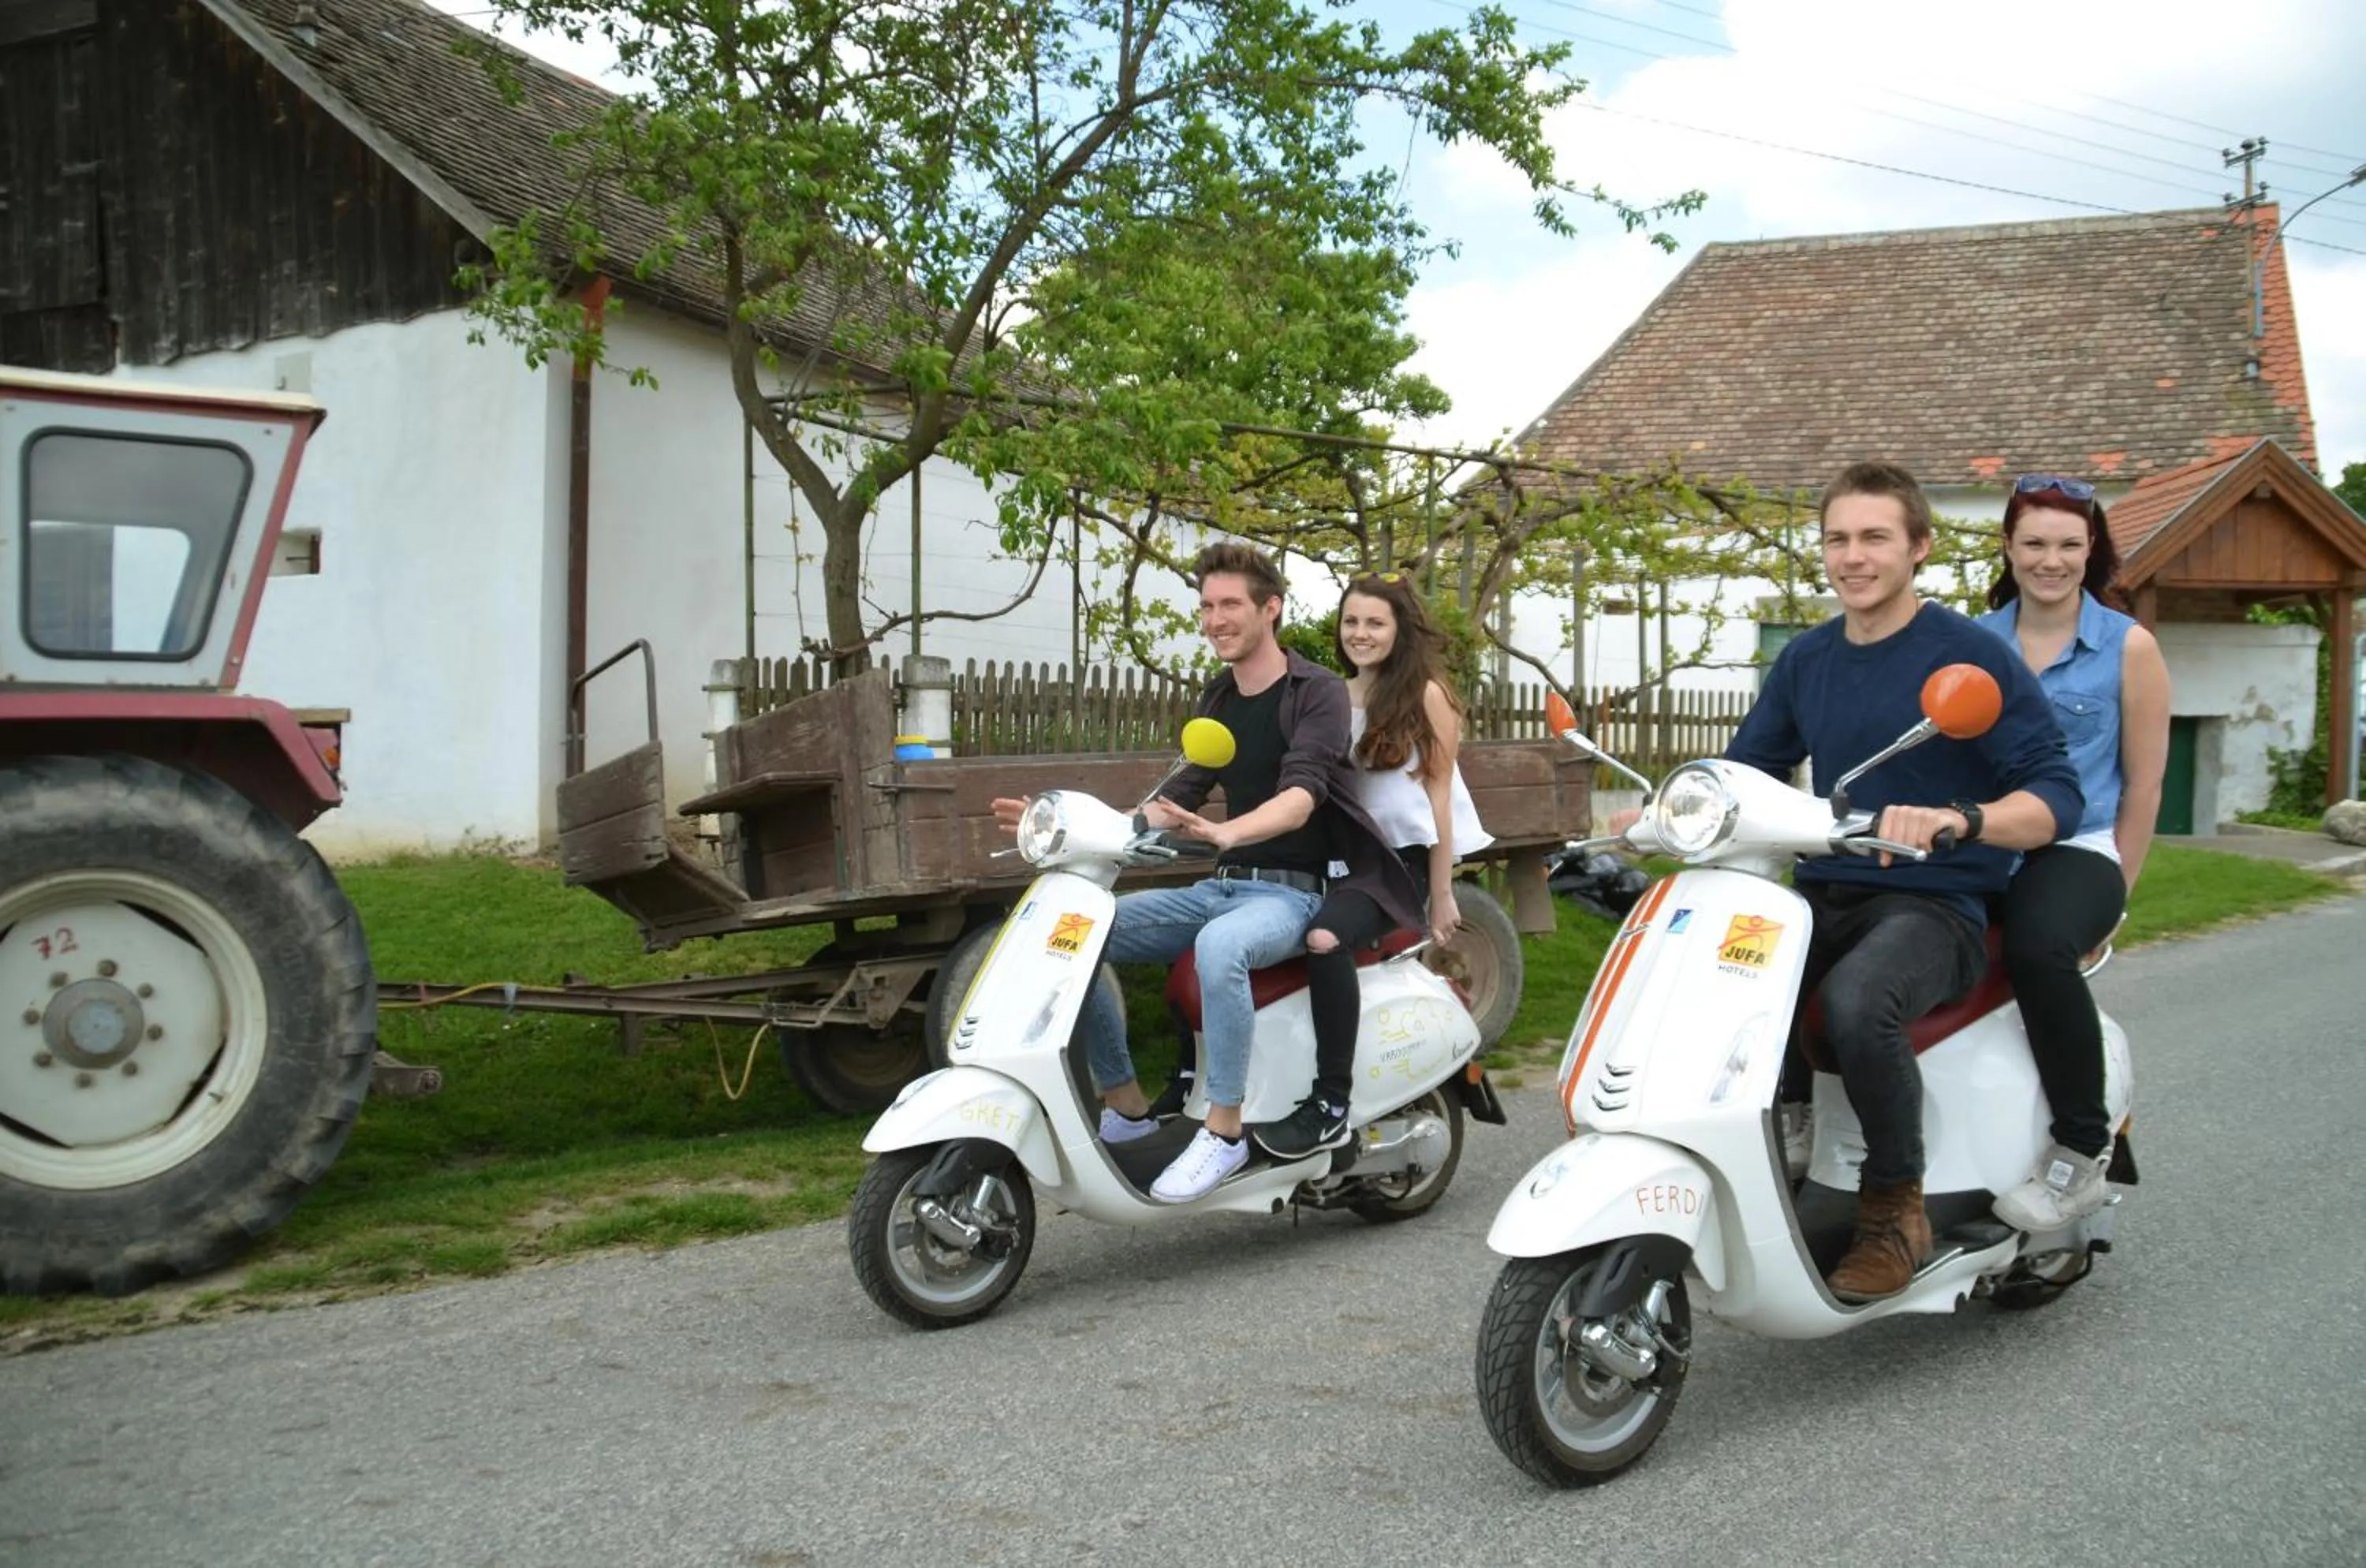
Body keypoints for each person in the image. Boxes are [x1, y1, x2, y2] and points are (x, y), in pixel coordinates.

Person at [1720, 461, 2083, 1301]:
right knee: (1727, 976)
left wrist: (1964, 816)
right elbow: (1748, 770)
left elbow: (2055, 790)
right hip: (1827, 885)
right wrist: (1672, 807)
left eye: (1875, 536)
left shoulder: (1968, 656)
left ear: (1917, 547)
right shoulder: (1808, 657)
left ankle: (1894, 1209)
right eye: (1838, 537)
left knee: (1857, 1003)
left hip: (1935, 898)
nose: (1854, 555)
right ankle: (1780, 1136)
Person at [991, 543, 1421, 1202]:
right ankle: (1126, 1103)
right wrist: (1061, 825)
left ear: (1270, 609)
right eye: (1206, 606)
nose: (1215, 619)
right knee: (1079, 931)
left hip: (1294, 896)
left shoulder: (1318, 693)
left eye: (1229, 605)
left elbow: (1303, 792)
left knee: (1223, 948)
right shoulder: (1219, 697)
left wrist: (1229, 832)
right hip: (1222, 887)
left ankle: (1222, 1133)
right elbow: (1179, 793)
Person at [1241, 570, 1492, 1159]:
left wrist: (1443, 891)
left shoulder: (1427, 695)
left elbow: (1440, 797)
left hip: (1393, 865)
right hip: (1334, 859)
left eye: (1375, 622)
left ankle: (1330, 1104)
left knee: (1326, 938)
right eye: (1351, 621)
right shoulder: (1328, 694)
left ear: (1400, 629)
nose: (1360, 633)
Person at [1976, 474, 2170, 1231]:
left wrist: (2117, 887)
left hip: (2080, 843)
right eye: (2034, 543)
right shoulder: (1971, 642)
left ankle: (2078, 1153)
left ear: (2092, 551)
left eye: (2068, 545)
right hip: (1986, 838)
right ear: (2009, 547)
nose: (2051, 560)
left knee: (2037, 946)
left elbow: (2146, 785)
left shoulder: (2130, 648)